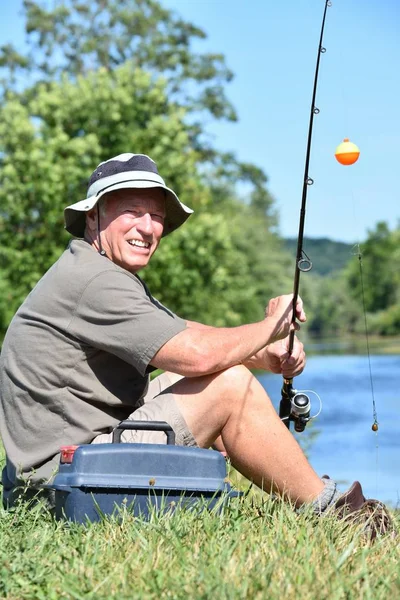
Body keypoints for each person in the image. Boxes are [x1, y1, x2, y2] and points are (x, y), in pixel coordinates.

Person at [0, 153, 394, 538]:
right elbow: (199, 353)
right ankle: (338, 517)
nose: (148, 226)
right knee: (228, 386)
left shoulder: (95, 270)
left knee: (209, 373)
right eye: (132, 211)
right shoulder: (95, 281)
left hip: (58, 474)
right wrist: (271, 325)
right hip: (58, 488)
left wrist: (265, 354)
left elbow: (183, 332)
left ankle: (307, 499)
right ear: (93, 217)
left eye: (156, 215)